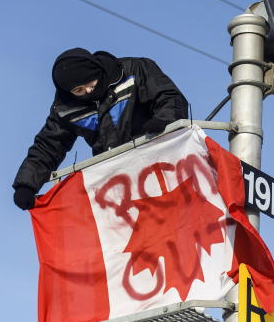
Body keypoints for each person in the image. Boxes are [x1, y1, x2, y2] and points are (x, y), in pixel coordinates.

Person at [12, 48, 189, 210]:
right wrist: (26, 185)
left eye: (91, 83)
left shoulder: (134, 71)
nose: (88, 91)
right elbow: (49, 145)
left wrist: (163, 120)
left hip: (160, 161)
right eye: (78, 90)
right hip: (117, 180)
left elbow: (169, 97)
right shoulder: (65, 109)